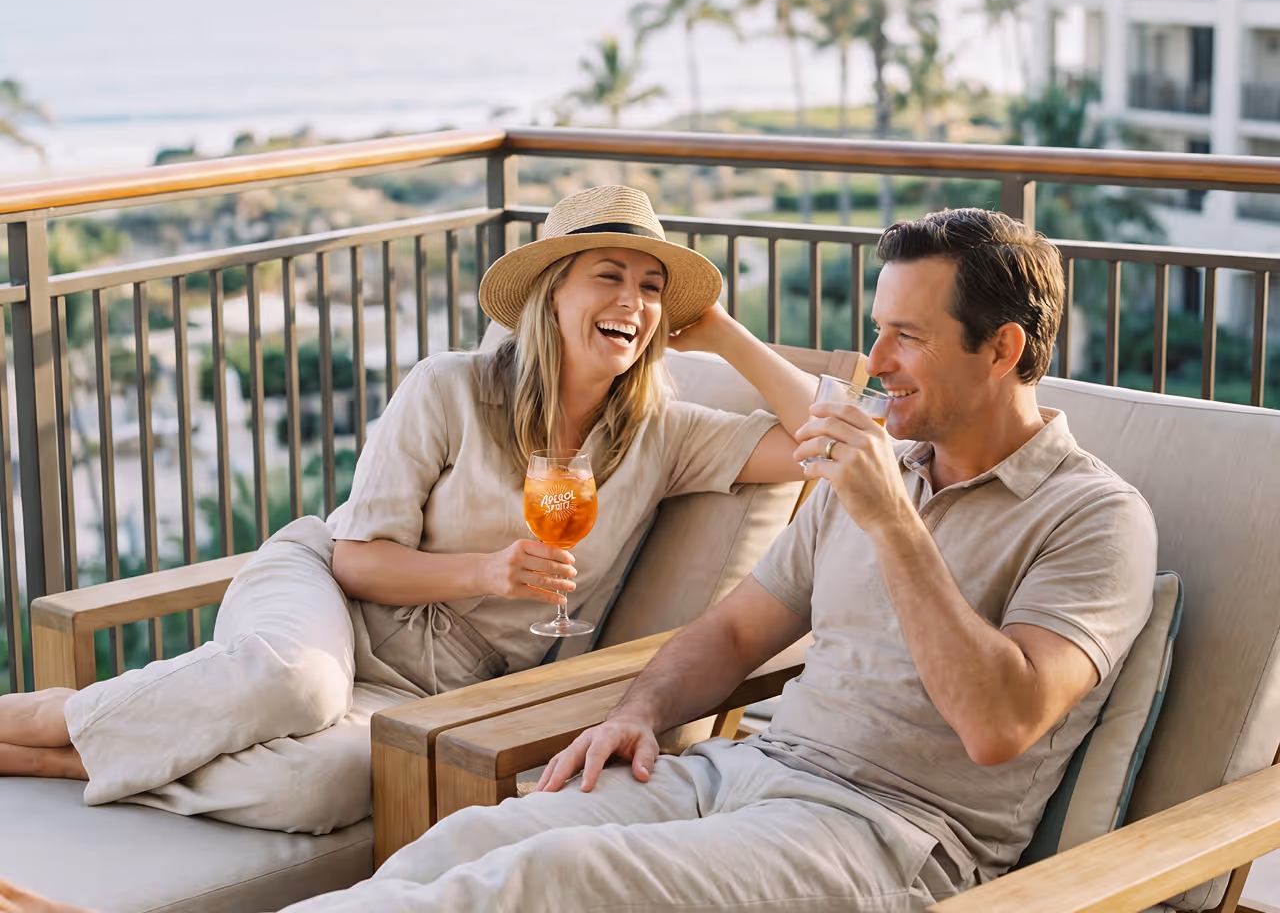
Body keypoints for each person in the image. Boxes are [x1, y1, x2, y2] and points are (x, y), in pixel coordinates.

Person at [264, 206, 1154, 912]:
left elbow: (1001, 725)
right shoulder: (884, 472)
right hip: (735, 773)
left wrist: (892, 524)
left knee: (545, 881)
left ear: (1002, 349)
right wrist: (639, 710)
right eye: (879, 331)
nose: (876, 363)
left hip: (883, 833)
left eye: (907, 337)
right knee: (459, 848)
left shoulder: (1093, 517)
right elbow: (731, 632)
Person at [0, 185, 820, 837]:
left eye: (651, 288)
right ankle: (22, 721)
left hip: (439, 692)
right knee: (297, 685)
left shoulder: (665, 434)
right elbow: (357, 558)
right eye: (609, 275)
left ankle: (49, 760)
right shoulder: (450, 386)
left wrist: (721, 333)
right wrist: (489, 571)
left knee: (320, 786)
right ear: (550, 292)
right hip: (332, 598)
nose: (634, 303)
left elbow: (842, 441)